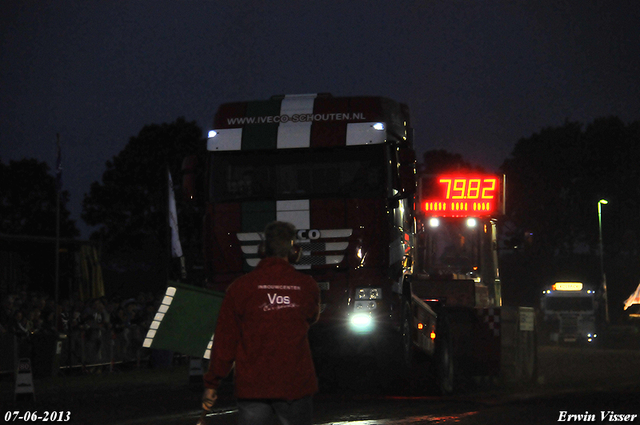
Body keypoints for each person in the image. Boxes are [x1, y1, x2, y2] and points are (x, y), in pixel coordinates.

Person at [202, 221, 320, 425]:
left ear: (262, 250)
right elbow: (311, 317)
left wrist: (212, 383)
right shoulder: (307, 285)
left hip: (253, 386)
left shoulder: (240, 288)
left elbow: (225, 341)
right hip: (294, 384)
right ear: (294, 251)